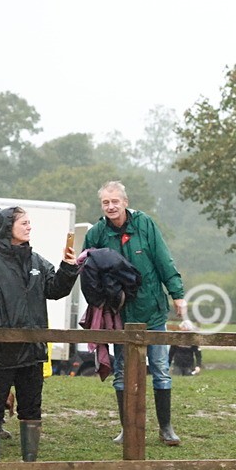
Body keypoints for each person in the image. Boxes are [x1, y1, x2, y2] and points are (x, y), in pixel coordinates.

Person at [0, 207, 79, 462]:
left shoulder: (37, 260)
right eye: (24, 223)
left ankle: (30, 466)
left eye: (30, 223)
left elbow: (55, 289)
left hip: (32, 350)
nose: (29, 227)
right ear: (8, 227)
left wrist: (68, 267)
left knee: (31, 406)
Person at [82, 181, 186, 445]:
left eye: (115, 201)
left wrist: (177, 294)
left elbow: (164, 259)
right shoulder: (96, 233)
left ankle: (166, 428)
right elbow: (86, 271)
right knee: (122, 371)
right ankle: (128, 428)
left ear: (125, 202)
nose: (111, 206)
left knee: (160, 368)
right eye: (106, 202)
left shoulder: (145, 225)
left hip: (151, 311)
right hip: (118, 316)